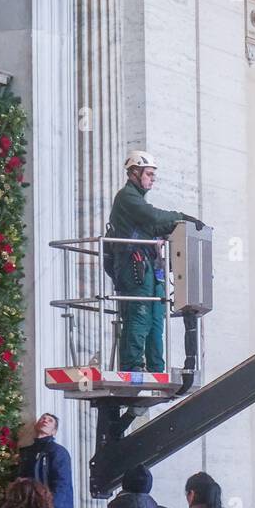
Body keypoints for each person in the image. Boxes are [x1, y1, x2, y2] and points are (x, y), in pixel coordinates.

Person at [107, 150, 206, 372]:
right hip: (133, 265)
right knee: (140, 313)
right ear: (134, 172)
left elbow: (153, 226)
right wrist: (180, 215)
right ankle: (132, 366)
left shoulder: (136, 200)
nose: (152, 179)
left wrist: (180, 224)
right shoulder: (127, 197)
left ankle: (155, 367)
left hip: (147, 265)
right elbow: (152, 216)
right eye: (149, 174)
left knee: (156, 317)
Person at [17, 413, 74, 508]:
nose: (45, 420)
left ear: (54, 431)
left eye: (50, 420)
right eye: (43, 418)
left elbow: (61, 482)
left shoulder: (57, 451)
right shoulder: (26, 452)